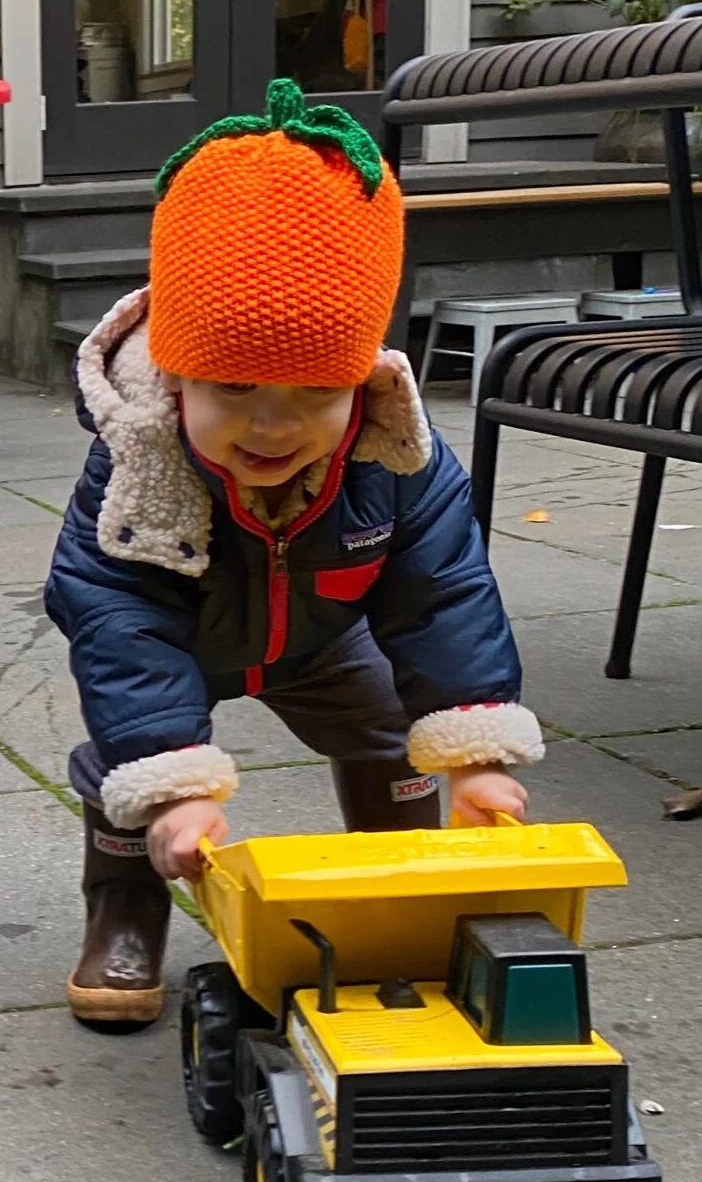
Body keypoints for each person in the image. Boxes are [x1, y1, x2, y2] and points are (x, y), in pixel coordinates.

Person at [45, 79, 542, 1030]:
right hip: (181, 637)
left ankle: (408, 895)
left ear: (360, 382)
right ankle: (125, 912)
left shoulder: (393, 454)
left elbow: (443, 595)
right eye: (233, 388)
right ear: (179, 374)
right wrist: (173, 780)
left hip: (321, 639)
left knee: (392, 734)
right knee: (129, 761)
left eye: (313, 392)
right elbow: (114, 616)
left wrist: (475, 752)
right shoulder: (140, 464)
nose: (271, 427)